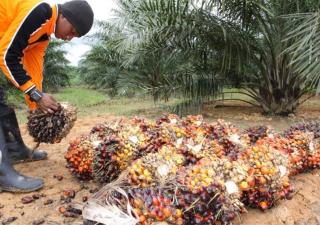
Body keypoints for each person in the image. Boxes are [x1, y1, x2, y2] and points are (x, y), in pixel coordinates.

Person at [0, 0, 94, 192]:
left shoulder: (42, 36)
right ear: (64, 16)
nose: (70, 38)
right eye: (73, 31)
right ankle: (2, 174)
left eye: (76, 36)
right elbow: (6, 55)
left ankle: (16, 151)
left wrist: (38, 107)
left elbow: (33, 70)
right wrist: (35, 94)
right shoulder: (39, 12)